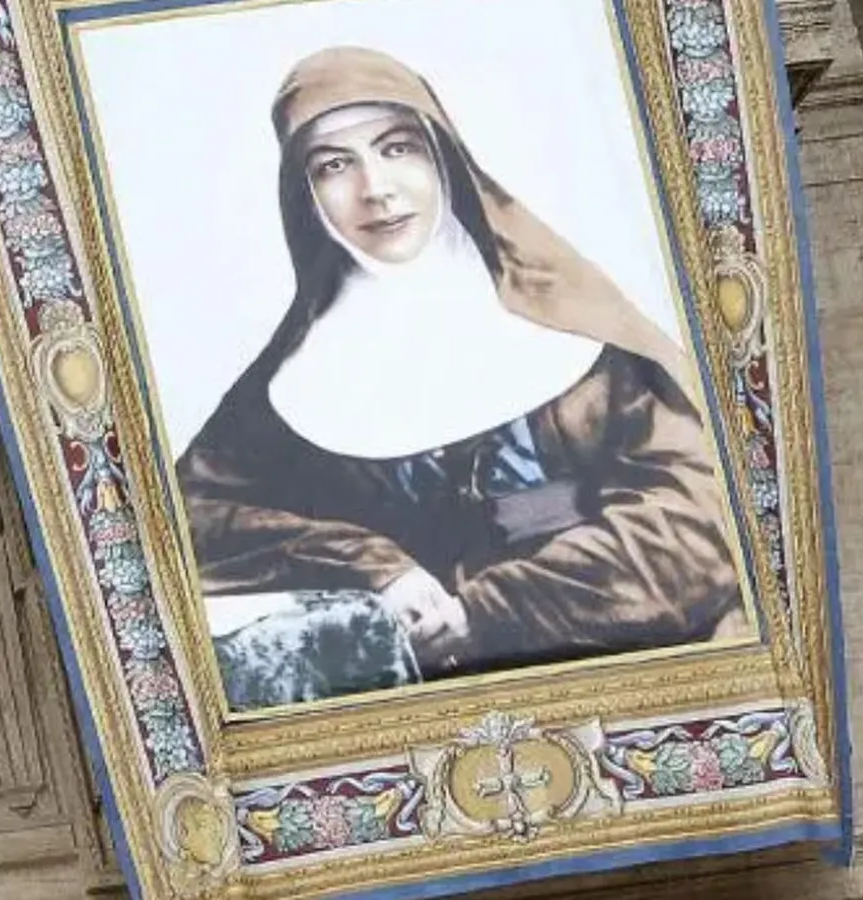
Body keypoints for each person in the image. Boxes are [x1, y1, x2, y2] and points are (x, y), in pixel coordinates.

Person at [176, 46, 747, 704]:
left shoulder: (576, 323)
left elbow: (699, 520)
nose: (375, 188)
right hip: (436, 692)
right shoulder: (296, 371)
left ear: (442, 156)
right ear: (305, 195)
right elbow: (186, 519)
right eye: (334, 164)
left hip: (638, 664)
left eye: (397, 148)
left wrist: (490, 611)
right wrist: (370, 563)